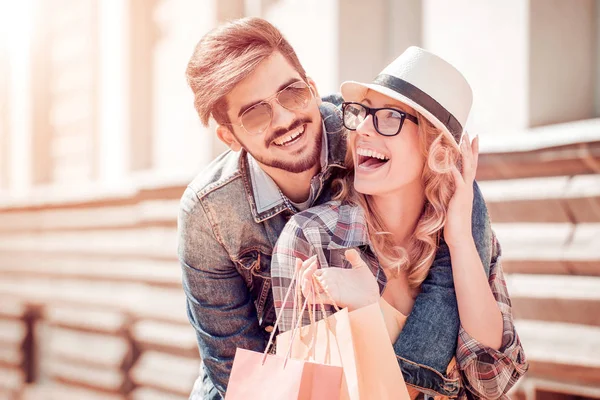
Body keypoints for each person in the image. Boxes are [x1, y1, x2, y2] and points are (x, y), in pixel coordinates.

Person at [180, 18, 492, 399]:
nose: (285, 119)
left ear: (311, 88)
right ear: (230, 137)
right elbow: (235, 367)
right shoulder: (208, 214)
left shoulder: (364, 136)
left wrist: (405, 373)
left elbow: (450, 202)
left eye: (291, 93)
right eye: (255, 114)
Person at [271, 47, 528, 399]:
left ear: (435, 148)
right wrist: (367, 313)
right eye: (361, 114)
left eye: (389, 117)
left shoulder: (464, 238)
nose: (361, 129)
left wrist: (461, 242)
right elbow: (313, 393)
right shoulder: (313, 239)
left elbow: (491, 381)